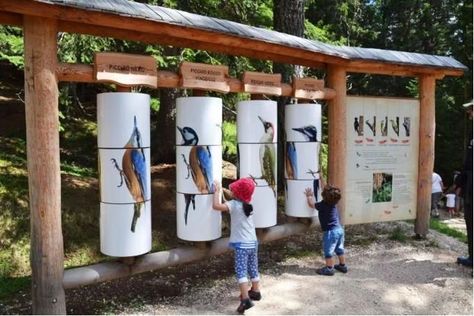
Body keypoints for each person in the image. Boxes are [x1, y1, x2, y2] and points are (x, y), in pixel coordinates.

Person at [212, 178, 261, 314]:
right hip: (253, 243)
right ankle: (256, 291)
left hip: (242, 245)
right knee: (253, 267)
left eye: (234, 190)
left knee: (241, 271)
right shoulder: (248, 205)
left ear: (237, 194)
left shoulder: (233, 205)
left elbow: (216, 206)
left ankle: (245, 299)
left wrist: (216, 191)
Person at [305, 177, 347, 276]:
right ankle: (342, 265)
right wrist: (321, 178)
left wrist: (309, 196)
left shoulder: (323, 204)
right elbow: (328, 190)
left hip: (330, 232)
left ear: (324, 196)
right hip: (339, 229)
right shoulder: (334, 202)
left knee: (328, 251)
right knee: (339, 249)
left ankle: (329, 268)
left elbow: (311, 204)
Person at [454, 99, 473, 267]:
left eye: (472, 109)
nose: (469, 113)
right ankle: (472, 257)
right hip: (469, 182)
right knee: (469, 218)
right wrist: (460, 181)